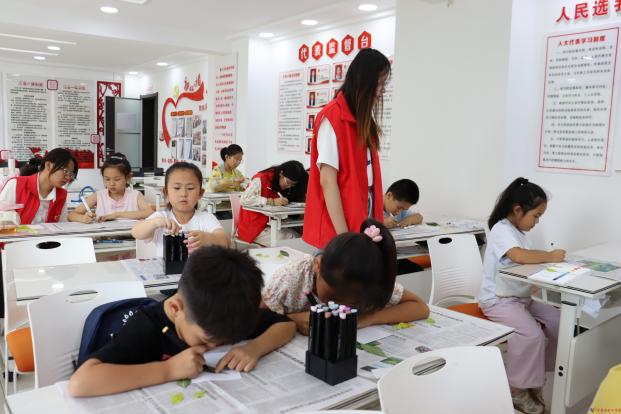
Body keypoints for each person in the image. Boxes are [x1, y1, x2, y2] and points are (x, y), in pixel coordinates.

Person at [68, 246, 296, 397]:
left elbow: (286, 325)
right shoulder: (146, 327)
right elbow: (80, 383)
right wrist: (168, 370)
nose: (213, 347)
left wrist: (253, 349)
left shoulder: (228, 312)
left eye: (225, 342)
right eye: (206, 340)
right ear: (176, 308)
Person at [477, 177, 564, 414]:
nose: (537, 221)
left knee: (558, 321)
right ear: (518, 210)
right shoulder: (501, 229)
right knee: (531, 335)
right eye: (536, 216)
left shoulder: (518, 233)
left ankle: (535, 378)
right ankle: (517, 390)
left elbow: (523, 262)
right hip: (497, 300)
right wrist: (550, 256)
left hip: (520, 297)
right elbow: (518, 256)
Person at [263, 218, 429, 334]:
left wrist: (368, 318)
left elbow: (420, 307)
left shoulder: (366, 282)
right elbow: (257, 318)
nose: (339, 305)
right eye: (332, 296)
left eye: (352, 302)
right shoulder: (291, 277)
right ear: (318, 266)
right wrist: (292, 320)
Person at [303, 48, 391, 249]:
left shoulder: (362, 119)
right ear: (364, 81)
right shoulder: (332, 117)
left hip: (362, 216)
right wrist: (346, 239)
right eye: (379, 84)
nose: (382, 91)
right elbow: (328, 181)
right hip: (339, 230)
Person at [132, 162, 229, 256]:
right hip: (167, 267)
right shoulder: (161, 217)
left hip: (198, 267)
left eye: (190, 188)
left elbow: (226, 242)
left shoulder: (206, 218)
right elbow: (136, 232)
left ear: (200, 193)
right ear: (166, 193)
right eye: (177, 188)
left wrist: (208, 238)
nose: (183, 194)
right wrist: (155, 223)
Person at [238, 160, 308, 246]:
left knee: (300, 236)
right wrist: (271, 201)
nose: (289, 186)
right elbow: (244, 199)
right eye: (288, 182)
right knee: (292, 240)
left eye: (293, 184)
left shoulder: (281, 184)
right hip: (253, 227)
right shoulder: (261, 178)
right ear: (281, 173)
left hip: (270, 223)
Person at [69, 153, 152, 223]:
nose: (111, 184)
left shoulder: (135, 195)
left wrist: (117, 215)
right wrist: (82, 218)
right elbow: (71, 215)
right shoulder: (99, 195)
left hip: (131, 236)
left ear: (127, 178)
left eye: (117, 179)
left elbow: (150, 213)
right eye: (107, 179)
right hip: (103, 236)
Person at [0, 148, 77, 224]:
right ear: (48, 165)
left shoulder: (61, 195)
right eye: (66, 171)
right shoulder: (16, 184)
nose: (68, 178)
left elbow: (62, 225)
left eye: (71, 174)